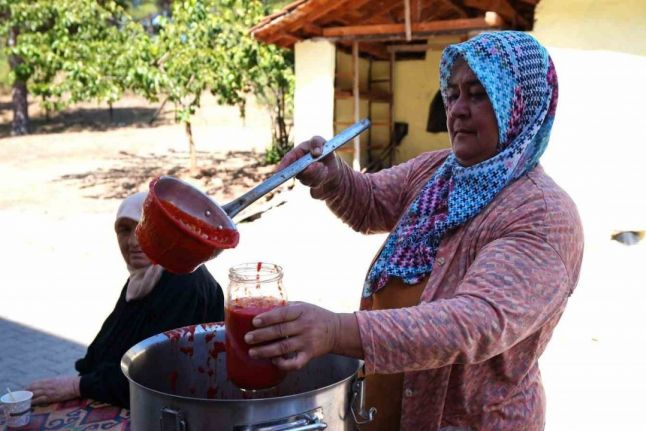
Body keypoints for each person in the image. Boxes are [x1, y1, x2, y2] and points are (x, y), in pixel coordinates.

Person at [244, 31, 583, 430]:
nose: (457, 109)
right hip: (384, 408)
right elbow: (370, 202)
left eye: (478, 94)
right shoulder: (441, 172)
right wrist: (331, 176)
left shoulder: (542, 215)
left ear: (519, 106)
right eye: (453, 94)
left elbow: (473, 323)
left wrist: (337, 330)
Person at [27, 192, 224, 408]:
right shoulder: (145, 277)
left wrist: (78, 386)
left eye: (143, 229)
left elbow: (158, 374)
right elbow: (108, 345)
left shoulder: (183, 281)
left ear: (163, 234)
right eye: (125, 230)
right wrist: (82, 379)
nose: (133, 241)